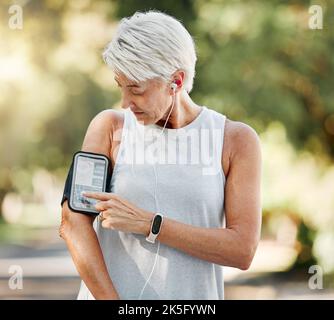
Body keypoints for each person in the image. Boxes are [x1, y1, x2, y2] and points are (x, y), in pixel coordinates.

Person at [59, 9, 262, 300]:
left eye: (136, 90)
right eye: (121, 87)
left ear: (176, 81)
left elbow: (242, 250)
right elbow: (72, 223)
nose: (126, 102)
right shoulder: (109, 128)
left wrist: (150, 224)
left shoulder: (235, 140)